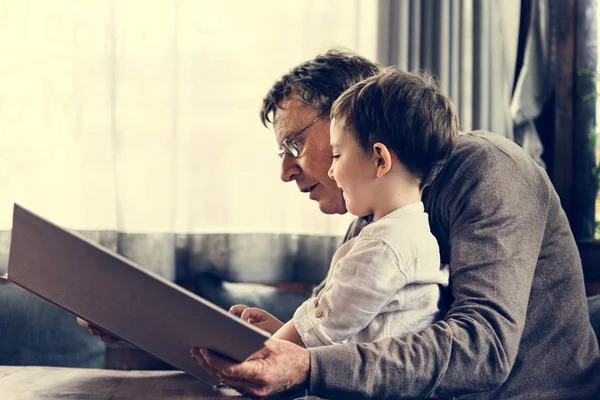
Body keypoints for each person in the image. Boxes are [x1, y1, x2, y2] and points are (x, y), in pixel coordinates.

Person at [81, 50, 600, 398]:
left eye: (294, 145)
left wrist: (306, 365)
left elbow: (482, 348)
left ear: (350, 124)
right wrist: (144, 325)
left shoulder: (488, 170)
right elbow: (342, 327)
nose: (287, 171)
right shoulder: (379, 213)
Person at [251, 67, 456, 348]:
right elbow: (348, 331)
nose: (333, 172)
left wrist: (261, 354)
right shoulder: (412, 234)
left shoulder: (385, 246)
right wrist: (280, 332)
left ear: (380, 160)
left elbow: (324, 325)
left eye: (337, 155)